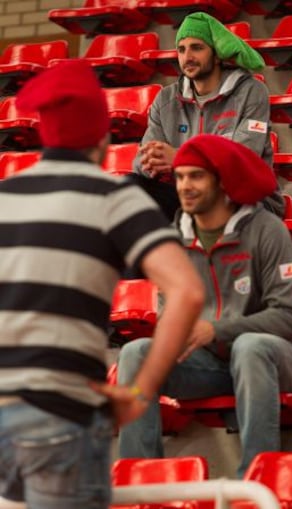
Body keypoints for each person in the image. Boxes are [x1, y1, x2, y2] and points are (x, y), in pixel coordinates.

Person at [0, 59, 205, 509]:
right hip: (60, 412)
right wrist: (138, 392)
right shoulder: (112, 197)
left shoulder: (7, 196)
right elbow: (188, 292)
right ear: (102, 135)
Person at [112, 134, 292, 478]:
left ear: (223, 181)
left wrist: (216, 329)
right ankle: (141, 481)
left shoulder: (267, 230)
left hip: (283, 360)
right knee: (135, 354)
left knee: (251, 347)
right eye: (179, 176)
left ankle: (256, 480)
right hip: (215, 365)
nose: (184, 186)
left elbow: (291, 318)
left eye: (196, 176)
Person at [130, 11, 285, 220]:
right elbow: (140, 162)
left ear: (217, 54)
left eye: (197, 48)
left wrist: (179, 159)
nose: (188, 57)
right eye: (182, 50)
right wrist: (151, 162)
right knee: (131, 188)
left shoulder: (251, 91)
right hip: (188, 196)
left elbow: (244, 157)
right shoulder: (166, 100)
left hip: (247, 198)